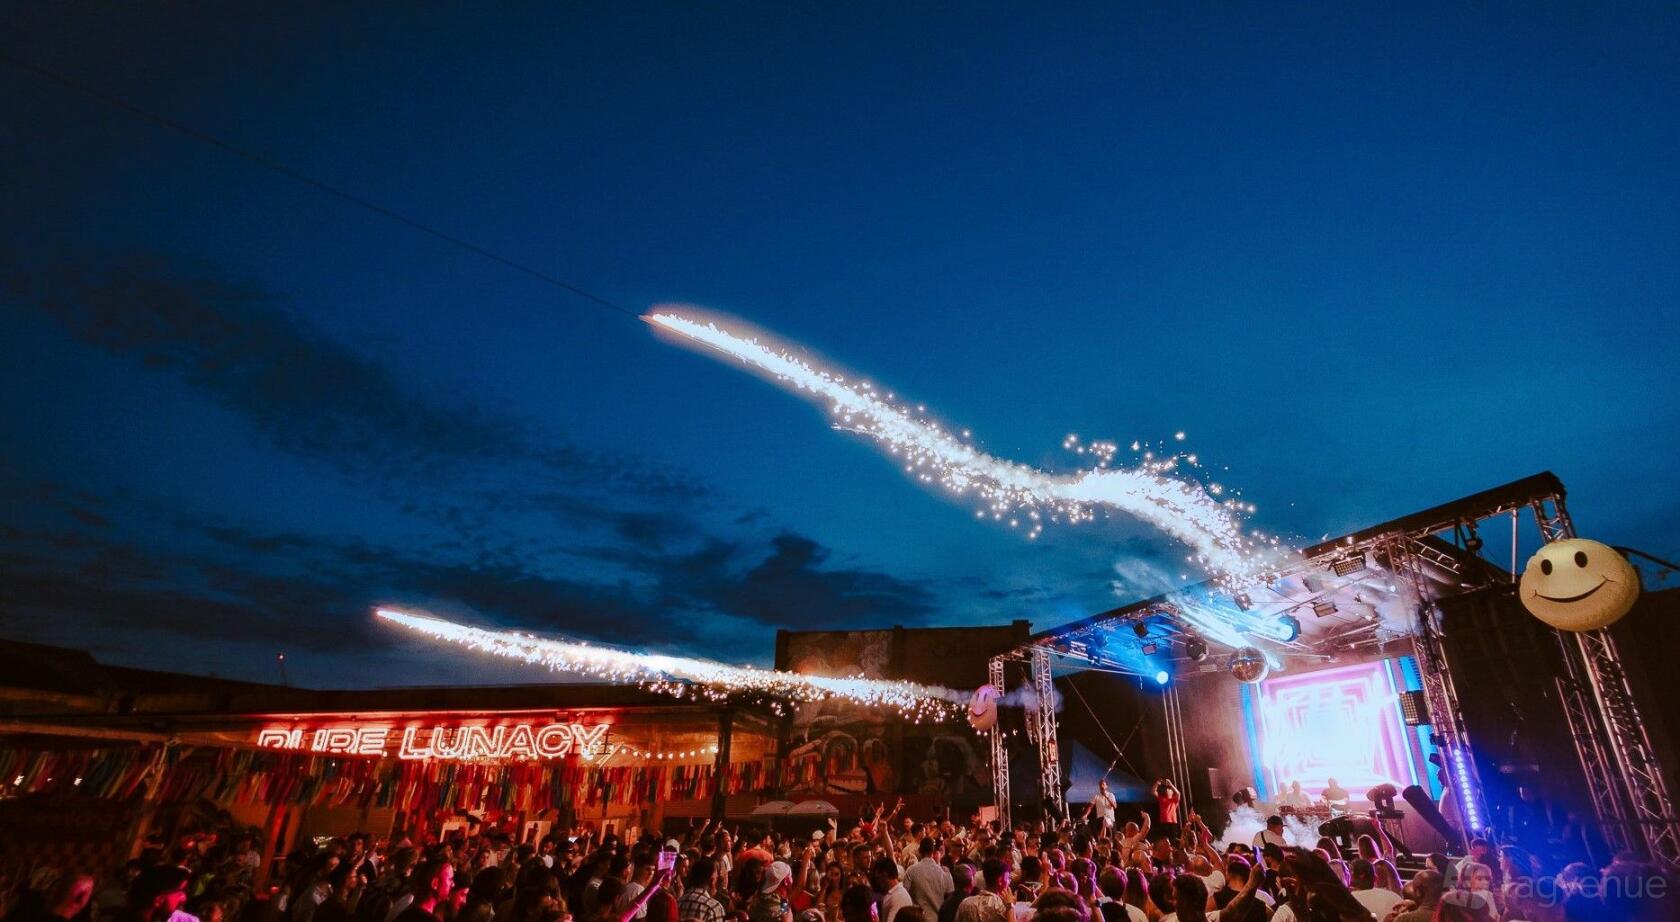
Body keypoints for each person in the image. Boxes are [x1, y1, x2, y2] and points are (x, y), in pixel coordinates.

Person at [901, 840, 952, 921]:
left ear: (919, 851)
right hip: (938, 919)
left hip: (918, 919)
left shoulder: (911, 870)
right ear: (933, 851)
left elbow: (903, 894)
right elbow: (950, 898)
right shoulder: (944, 872)